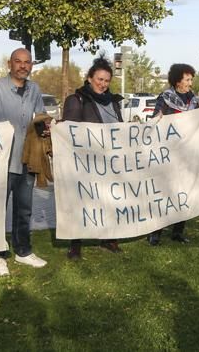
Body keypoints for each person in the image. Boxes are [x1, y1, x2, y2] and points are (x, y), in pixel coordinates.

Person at [0, 47, 49, 275]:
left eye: (27, 62)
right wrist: (3, 128)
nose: (23, 66)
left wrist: (46, 126)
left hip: (27, 158)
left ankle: (23, 251)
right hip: (2, 162)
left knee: (24, 209)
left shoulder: (35, 90)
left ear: (31, 65)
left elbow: (39, 116)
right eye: (18, 62)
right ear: (9, 64)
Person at [59, 58, 124, 260]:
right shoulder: (76, 100)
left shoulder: (113, 101)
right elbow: (70, 131)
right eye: (99, 79)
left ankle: (108, 238)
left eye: (106, 80)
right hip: (86, 162)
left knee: (108, 199)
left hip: (109, 161)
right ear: (89, 78)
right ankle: (75, 244)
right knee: (82, 201)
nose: (103, 84)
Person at [147, 63, 199, 245]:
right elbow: (157, 117)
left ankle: (178, 231)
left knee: (184, 192)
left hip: (187, 154)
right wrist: (158, 116)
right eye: (187, 79)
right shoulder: (166, 97)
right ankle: (155, 232)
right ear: (177, 80)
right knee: (164, 193)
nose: (190, 83)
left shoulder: (193, 99)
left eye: (191, 79)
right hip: (168, 154)